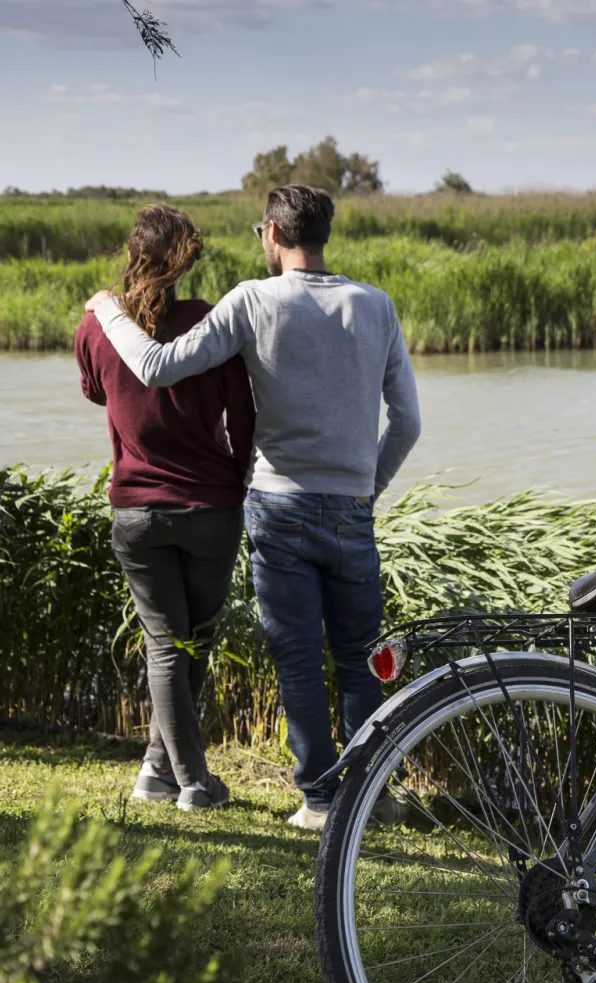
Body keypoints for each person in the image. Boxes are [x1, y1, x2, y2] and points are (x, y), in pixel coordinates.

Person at [86, 185, 421, 830]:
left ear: (271, 232)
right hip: (351, 506)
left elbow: (157, 367)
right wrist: (365, 489)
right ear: (323, 233)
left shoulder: (252, 300)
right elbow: (406, 422)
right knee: (360, 657)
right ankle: (370, 796)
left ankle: (321, 801)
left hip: (279, 505)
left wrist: (108, 311)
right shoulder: (375, 306)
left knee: (297, 657)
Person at [75, 204, 255, 812]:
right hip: (210, 508)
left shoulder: (98, 326)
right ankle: (195, 783)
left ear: (133, 252)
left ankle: (158, 770)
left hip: (136, 511)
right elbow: (244, 414)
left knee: (171, 645)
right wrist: (235, 478)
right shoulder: (207, 324)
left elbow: (95, 390)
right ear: (183, 261)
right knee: (189, 644)